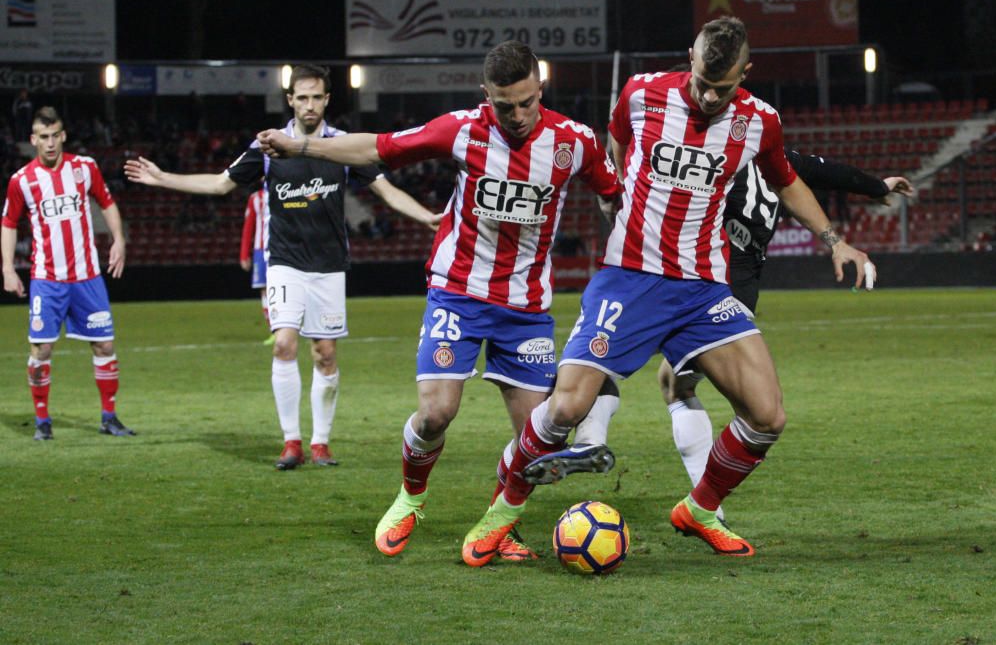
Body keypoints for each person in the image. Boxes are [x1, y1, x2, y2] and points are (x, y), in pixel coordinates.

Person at [459, 16, 876, 564]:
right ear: (691, 57)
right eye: (701, 79)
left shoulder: (759, 121)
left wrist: (833, 240)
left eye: (721, 88)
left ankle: (700, 508)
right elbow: (615, 146)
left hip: (703, 289)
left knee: (768, 415)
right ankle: (500, 516)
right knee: (566, 407)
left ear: (745, 75)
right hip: (630, 277)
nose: (707, 94)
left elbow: (785, 179)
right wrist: (620, 201)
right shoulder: (642, 95)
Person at [256, 41, 624, 561]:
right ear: (485, 96)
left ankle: (501, 522)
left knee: (536, 439)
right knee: (435, 413)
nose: (516, 116)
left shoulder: (575, 142)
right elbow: (377, 147)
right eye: (504, 105)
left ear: (541, 88)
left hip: (526, 308)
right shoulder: (463, 129)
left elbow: (615, 195)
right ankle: (410, 498)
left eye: (526, 102)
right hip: (457, 292)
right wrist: (303, 148)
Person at [528, 149, 915, 526]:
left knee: (622, 364)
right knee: (676, 383)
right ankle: (705, 505)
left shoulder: (715, 162)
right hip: (738, 301)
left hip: (697, 291)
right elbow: (830, 171)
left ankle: (596, 441)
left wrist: (620, 196)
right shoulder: (784, 163)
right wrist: (876, 186)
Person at [125, 64, 440, 470]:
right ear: (290, 100)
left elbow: (387, 190)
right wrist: (163, 178)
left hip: (327, 266)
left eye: (316, 97)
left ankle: (320, 443)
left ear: (327, 100)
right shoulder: (269, 147)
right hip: (285, 263)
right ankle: (291, 442)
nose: (309, 105)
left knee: (325, 354)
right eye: (302, 97)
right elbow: (221, 184)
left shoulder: (342, 145)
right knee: (284, 344)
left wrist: (426, 217)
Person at [2, 106, 135, 440]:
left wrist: (118, 239)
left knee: (104, 347)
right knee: (41, 350)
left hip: (88, 277)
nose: (50, 143)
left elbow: (106, 202)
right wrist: (7, 268)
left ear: (63, 136)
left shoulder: (84, 168)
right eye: (43, 137)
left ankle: (109, 417)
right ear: (33, 140)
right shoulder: (22, 181)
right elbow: (7, 223)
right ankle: (42, 421)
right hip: (47, 280)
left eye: (55, 136)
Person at [239, 184, 273, 344]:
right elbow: (248, 227)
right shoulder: (255, 198)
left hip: (281, 249)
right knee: (265, 290)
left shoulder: (284, 192)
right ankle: (273, 329)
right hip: (260, 251)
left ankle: (287, 325)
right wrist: (244, 254)